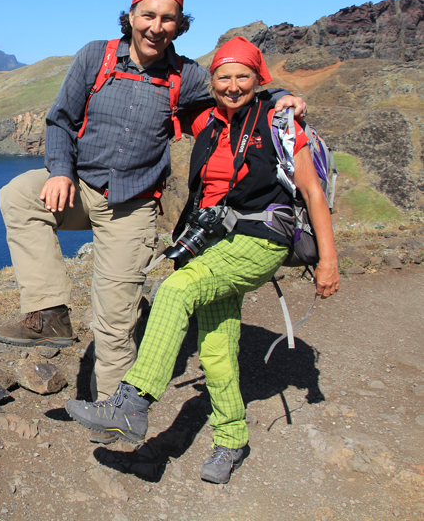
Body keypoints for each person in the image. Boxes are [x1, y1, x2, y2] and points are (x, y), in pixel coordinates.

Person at [0, 0, 306, 443]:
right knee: (18, 192)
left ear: (180, 25)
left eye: (168, 18)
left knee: (114, 322)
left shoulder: (188, 76)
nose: (157, 26)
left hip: (133, 207)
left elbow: (238, 91)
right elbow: (60, 120)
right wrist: (58, 170)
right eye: (149, 15)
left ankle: (113, 413)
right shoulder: (94, 57)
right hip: (80, 187)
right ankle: (49, 312)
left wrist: (282, 97)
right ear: (131, 16)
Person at [65, 36, 340, 483]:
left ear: (259, 78)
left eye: (243, 77)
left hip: (260, 239)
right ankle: (232, 441)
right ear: (211, 82)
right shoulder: (208, 122)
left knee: (175, 290)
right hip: (214, 243)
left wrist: (328, 261)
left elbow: (311, 191)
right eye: (223, 77)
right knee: (215, 348)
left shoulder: (281, 121)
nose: (233, 86)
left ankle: (131, 403)